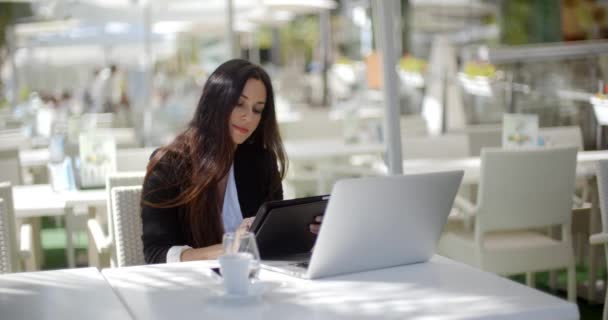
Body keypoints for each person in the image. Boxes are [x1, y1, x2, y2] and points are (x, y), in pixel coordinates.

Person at [141, 59, 319, 264]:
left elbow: (274, 241)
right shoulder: (168, 165)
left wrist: (307, 233)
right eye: (239, 103)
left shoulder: (261, 161)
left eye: (257, 109)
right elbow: (156, 254)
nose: (248, 117)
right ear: (216, 102)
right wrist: (230, 247)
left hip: (254, 284)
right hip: (194, 287)